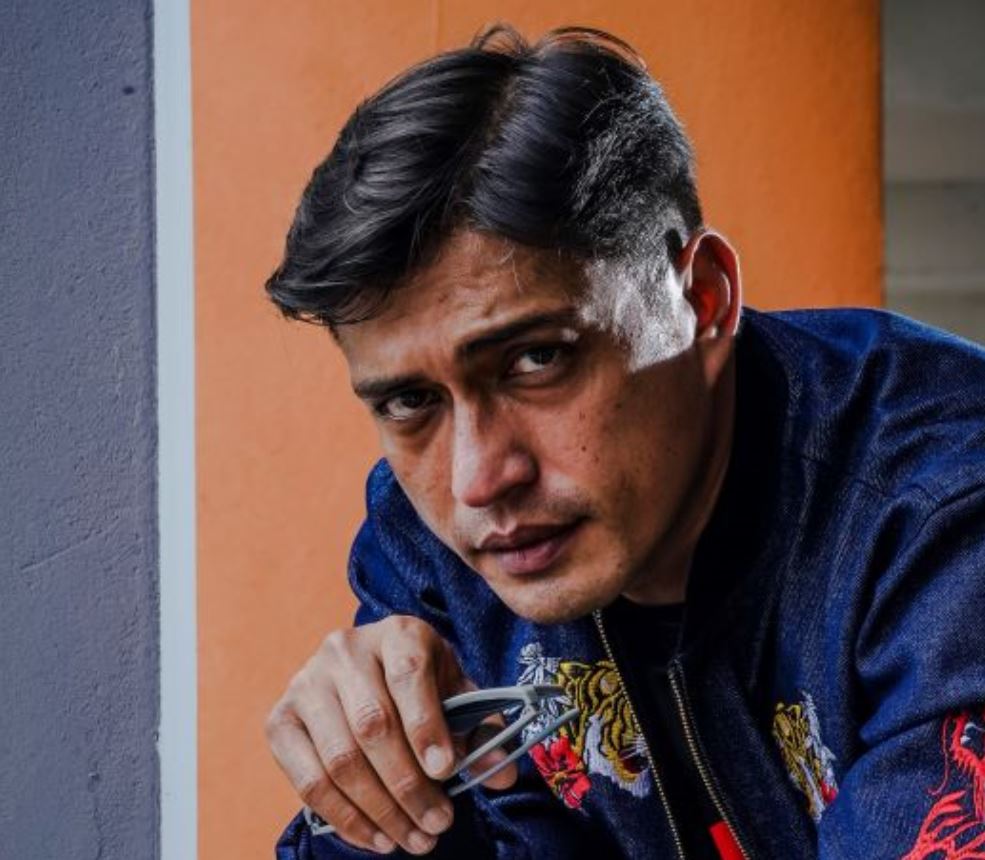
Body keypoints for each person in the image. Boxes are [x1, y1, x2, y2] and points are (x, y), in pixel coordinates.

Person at [262, 24, 985, 860]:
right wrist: (368, 797)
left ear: (702, 301)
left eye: (536, 359)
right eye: (409, 401)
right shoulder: (429, 555)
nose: (477, 480)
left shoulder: (940, 511)